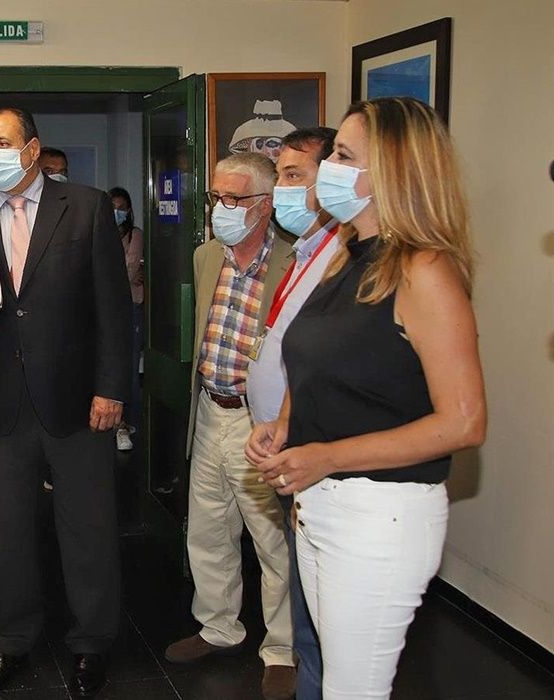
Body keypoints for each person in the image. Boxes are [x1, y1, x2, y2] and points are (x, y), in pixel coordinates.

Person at [248, 97, 486, 699]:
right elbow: (328, 366)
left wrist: (327, 455)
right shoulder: (347, 260)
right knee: (331, 679)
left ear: (393, 172)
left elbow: (463, 422)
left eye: (344, 157)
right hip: (322, 505)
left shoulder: (424, 270)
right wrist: (285, 423)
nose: (329, 168)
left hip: (383, 515)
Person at [0, 107, 130, 697]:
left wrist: (112, 386)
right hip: (1, 403)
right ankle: (13, 640)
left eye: (2, 142)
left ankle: (91, 642)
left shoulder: (87, 208)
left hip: (77, 399)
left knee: (87, 529)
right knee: (4, 531)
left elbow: (114, 311)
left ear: (33, 149)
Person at [163, 152, 296, 700]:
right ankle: (219, 626)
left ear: (266, 206)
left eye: (235, 199)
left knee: (272, 541)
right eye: (216, 197)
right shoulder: (205, 257)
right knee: (209, 528)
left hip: (259, 419)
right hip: (209, 411)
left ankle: (284, 648)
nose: (222, 208)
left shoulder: (293, 264)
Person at [248, 126, 341, 700]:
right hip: (288, 451)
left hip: (320, 461)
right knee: (310, 612)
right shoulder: (306, 251)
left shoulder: (341, 261)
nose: (280, 189)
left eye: (291, 176)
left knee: (324, 622)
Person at [107, 186, 144, 452]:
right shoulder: (97, 232)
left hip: (131, 307)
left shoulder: (136, 236)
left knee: (129, 367)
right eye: (112, 208)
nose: (117, 213)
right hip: (103, 309)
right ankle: (109, 420)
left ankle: (125, 423)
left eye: (122, 208)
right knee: (107, 366)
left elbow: (130, 271)